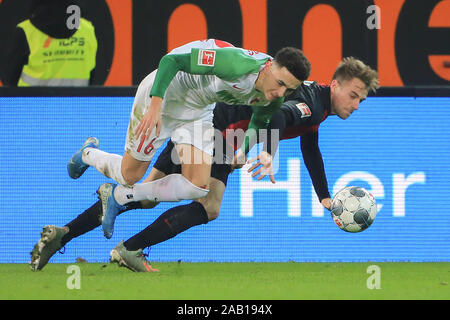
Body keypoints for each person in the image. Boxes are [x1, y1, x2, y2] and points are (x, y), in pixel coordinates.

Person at [30, 57, 379, 272]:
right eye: (353, 94)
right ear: (335, 84)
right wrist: (266, 151)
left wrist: (323, 196)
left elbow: (310, 145)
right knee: (208, 206)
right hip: (220, 131)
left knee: (146, 192)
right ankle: (128, 249)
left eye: (361, 99)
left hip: (202, 120)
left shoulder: (317, 103)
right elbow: (283, 118)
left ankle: (65, 233)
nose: (356, 103)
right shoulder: (313, 105)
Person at [67, 39, 309, 239]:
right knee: (130, 175)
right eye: (279, 83)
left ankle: (118, 196)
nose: (280, 93)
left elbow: (259, 120)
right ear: (268, 67)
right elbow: (171, 60)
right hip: (165, 94)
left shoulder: (274, 97)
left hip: (197, 111)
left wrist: (244, 149)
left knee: (196, 187)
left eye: (288, 89)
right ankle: (88, 154)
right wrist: (154, 105)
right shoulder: (237, 65)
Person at [2, 0, 98, 86]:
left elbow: (10, 81)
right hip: (77, 103)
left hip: (32, 104)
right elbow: (92, 75)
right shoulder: (87, 29)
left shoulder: (26, 31)